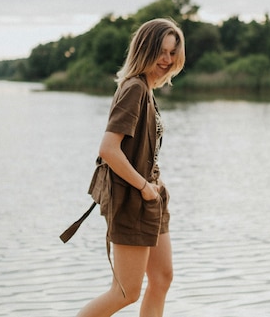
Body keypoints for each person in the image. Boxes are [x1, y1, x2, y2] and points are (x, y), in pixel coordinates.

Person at [76, 18, 186, 317]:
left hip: (151, 198)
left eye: (173, 52)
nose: (167, 59)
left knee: (162, 279)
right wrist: (143, 186)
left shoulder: (147, 90)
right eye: (161, 51)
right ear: (145, 50)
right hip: (133, 200)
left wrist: (155, 188)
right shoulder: (135, 88)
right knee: (125, 292)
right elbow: (108, 149)